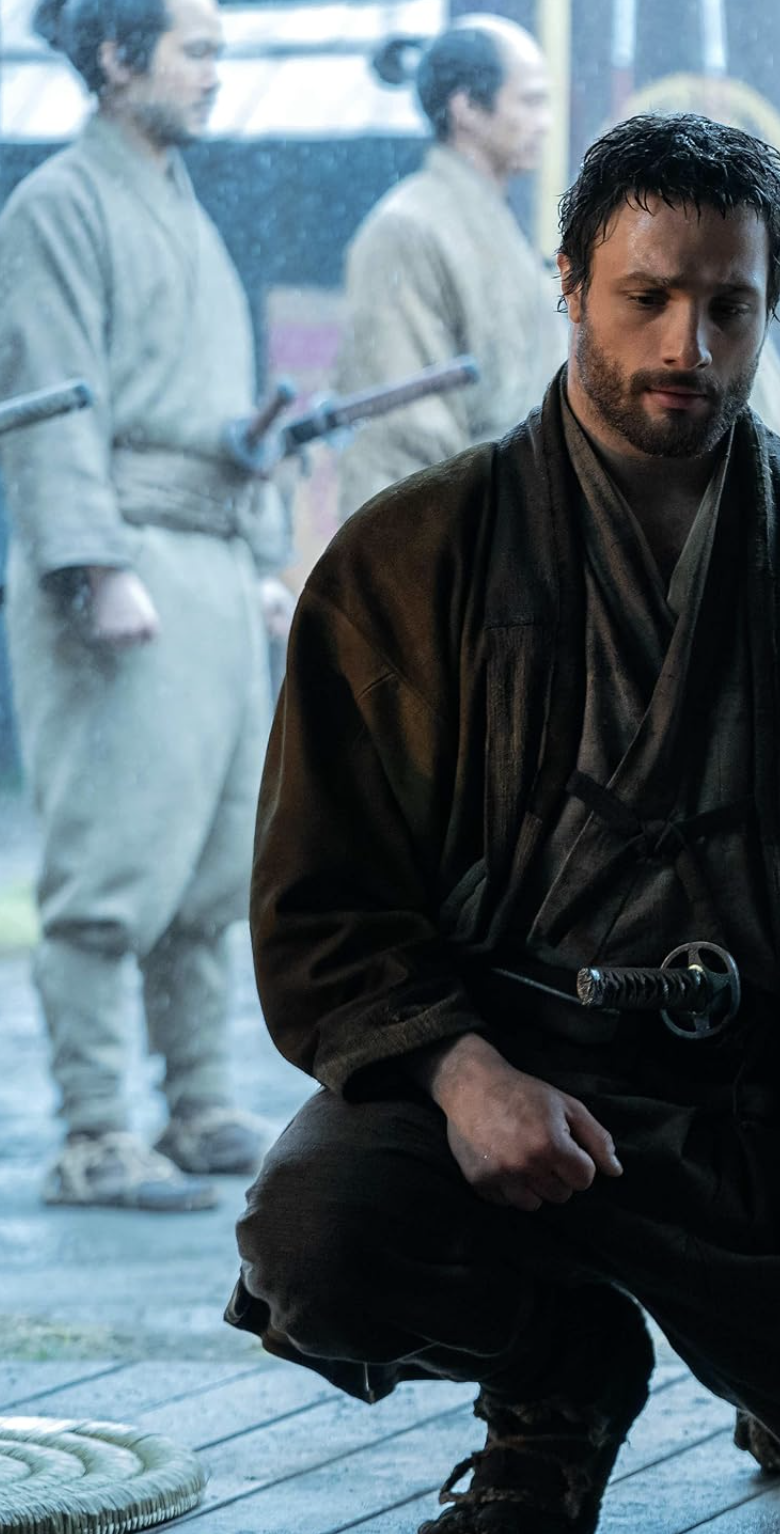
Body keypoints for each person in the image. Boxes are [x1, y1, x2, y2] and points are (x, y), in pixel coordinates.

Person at [223, 113, 780, 1534]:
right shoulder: (409, 562)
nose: (691, 347)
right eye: (647, 297)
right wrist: (456, 1068)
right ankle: (560, 1369)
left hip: (777, 1122)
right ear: (569, 280)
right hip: (517, 1111)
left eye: (730, 305)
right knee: (318, 1237)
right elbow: (324, 902)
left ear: (769, 298)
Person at [0, 0, 293, 1211]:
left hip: (214, 561)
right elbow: (52, 398)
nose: (216, 75)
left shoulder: (179, 203)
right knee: (112, 858)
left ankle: (200, 1100)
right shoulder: (59, 206)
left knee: (215, 860)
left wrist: (266, 549)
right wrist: (93, 563)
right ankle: (96, 1128)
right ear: (118, 59)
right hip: (124, 559)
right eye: (196, 50)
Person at [333, 17, 565, 516]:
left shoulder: (496, 227)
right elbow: (401, 434)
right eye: (529, 101)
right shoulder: (407, 228)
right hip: (458, 530)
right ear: (467, 109)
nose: (545, 121)